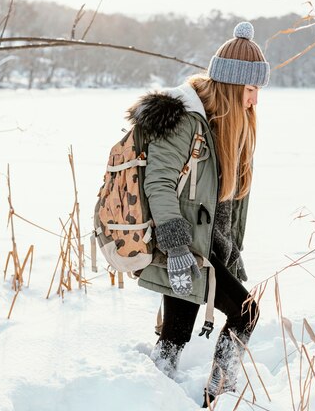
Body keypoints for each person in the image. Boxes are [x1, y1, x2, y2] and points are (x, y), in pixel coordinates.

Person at [127, 21, 269, 407]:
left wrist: (227, 250)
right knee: (246, 314)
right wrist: (176, 249)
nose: (255, 100)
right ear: (233, 86)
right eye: (251, 89)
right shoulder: (186, 121)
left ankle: (148, 396)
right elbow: (157, 183)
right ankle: (219, 394)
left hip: (203, 246)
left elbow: (223, 202)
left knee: (174, 335)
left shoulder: (221, 125)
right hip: (183, 246)